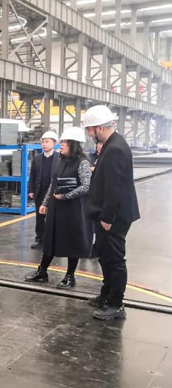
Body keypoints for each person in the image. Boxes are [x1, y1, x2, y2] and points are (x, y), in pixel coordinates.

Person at [83, 105, 140, 320]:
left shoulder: (115, 148)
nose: (90, 134)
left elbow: (114, 187)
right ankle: (106, 295)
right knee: (105, 256)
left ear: (99, 127)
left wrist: (107, 217)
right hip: (109, 213)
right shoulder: (112, 144)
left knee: (114, 260)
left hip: (114, 216)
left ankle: (116, 304)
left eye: (90, 130)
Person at [24, 127, 93, 288]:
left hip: (73, 210)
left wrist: (65, 196)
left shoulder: (82, 162)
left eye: (65, 142)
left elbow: (86, 186)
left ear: (73, 144)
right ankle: (42, 271)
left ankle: (70, 276)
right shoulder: (61, 160)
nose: (61, 144)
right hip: (57, 208)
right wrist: (45, 203)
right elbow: (53, 184)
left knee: (72, 242)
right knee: (50, 239)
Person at [28, 131, 60, 249]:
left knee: (54, 216)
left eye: (47, 142)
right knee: (40, 216)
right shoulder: (37, 159)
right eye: (43, 142)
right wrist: (31, 190)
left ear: (54, 142)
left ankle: (54, 239)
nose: (44, 144)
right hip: (40, 191)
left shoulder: (60, 158)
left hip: (53, 192)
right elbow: (32, 175)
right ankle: (39, 238)